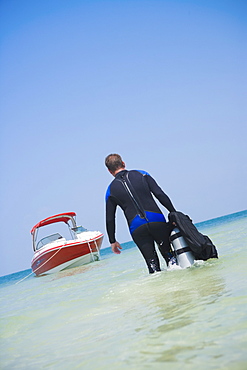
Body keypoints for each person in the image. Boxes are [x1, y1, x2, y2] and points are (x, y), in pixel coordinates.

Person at [105, 153, 177, 273]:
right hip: (157, 220)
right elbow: (160, 195)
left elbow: (110, 218)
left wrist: (112, 240)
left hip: (137, 227)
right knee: (170, 257)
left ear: (109, 171)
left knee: (152, 264)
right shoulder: (142, 174)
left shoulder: (110, 190)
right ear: (123, 163)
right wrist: (173, 214)